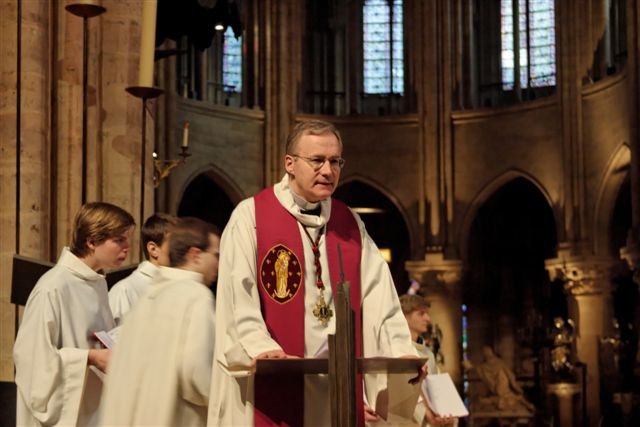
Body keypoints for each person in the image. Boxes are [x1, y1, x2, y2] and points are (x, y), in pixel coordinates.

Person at [208, 119, 418, 426]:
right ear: (289, 164)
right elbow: (237, 293)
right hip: (274, 376)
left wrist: (400, 351)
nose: (328, 171)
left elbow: (379, 297)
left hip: (335, 385)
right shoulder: (251, 215)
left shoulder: (349, 224)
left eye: (335, 161)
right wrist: (261, 346)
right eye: (317, 160)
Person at [13, 202, 135, 426]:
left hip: (92, 409)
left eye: (127, 238)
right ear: (91, 241)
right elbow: (31, 360)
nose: (127, 246)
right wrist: (88, 357)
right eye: (119, 239)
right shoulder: (53, 287)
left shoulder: (96, 283)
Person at [100, 217, 219, 426]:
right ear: (196, 255)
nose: (219, 264)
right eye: (216, 255)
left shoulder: (149, 295)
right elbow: (196, 373)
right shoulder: (196, 296)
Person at [108, 213, 177, 325]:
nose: (184, 253)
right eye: (176, 245)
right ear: (153, 249)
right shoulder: (125, 291)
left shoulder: (180, 285)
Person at [400, 295, 455, 427]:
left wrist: (446, 413)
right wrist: (426, 414)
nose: (428, 319)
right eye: (421, 314)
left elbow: (436, 387)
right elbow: (403, 389)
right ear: (404, 316)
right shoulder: (396, 350)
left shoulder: (428, 353)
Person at [463, 346, 535, 413]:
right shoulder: (484, 367)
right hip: (500, 394)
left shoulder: (500, 364)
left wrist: (516, 387)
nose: (488, 354)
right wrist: (470, 367)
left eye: (489, 351)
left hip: (505, 392)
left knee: (513, 398)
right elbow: (478, 369)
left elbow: (510, 376)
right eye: (485, 352)